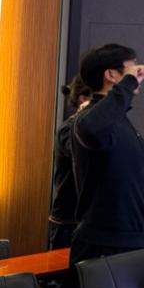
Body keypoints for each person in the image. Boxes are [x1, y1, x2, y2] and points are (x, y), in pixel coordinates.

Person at [69, 44, 144, 266]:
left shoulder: (119, 120)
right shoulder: (88, 118)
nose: (138, 74)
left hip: (131, 238)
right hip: (104, 242)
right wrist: (128, 83)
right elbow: (92, 128)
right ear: (111, 75)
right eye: (132, 69)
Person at [47, 75, 92, 250]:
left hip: (87, 218)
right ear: (83, 99)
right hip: (68, 220)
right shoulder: (69, 129)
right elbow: (85, 157)